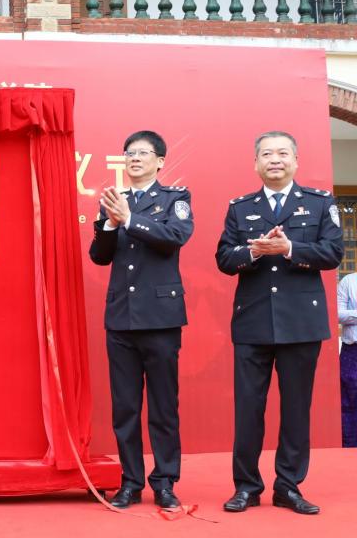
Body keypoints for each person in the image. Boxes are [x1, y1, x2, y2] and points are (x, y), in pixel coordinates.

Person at [216, 131, 343, 515]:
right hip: (252, 322)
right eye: (267, 154)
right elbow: (224, 258)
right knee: (248, 409)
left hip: (301, 323)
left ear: (296, 161)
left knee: (296, 409)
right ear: (256, 163)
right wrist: (253, 251)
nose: (275, 159)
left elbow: (333, 253)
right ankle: (246, 487)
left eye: (283, 153)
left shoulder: (320, 203)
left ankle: (288, 486)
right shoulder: (241, 208)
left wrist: (289, 248)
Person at [89, 130, 193, 510]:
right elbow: (99, 256)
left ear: (160, 161)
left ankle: (164, 482)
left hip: (161, 319)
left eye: (143, 153)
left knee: (163, 407)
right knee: (126, 408)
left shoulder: (175, 198)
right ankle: (130, 482)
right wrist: (110, 224)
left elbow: (173, 238)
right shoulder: (113, 201)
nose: (134, 158)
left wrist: (129, 219)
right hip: (121, 318)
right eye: (129, 153)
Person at [339, 272, 357, 447]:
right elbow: (336, 314)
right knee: (349, 402)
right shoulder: (349, 281)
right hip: (353, 351)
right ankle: (350, 448)